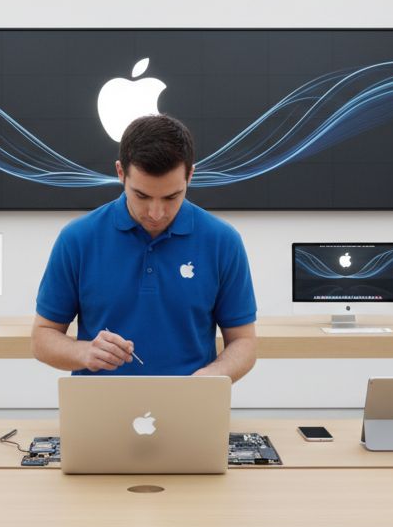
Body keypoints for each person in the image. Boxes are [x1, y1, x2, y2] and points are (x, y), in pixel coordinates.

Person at [32, 115, 257, 380]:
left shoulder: (223, 241)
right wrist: (83, 352)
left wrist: (211, 377)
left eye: (172, 196)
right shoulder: (77, 239)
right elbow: (42, 338)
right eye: (142, 196)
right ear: (120, 173)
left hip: (189, 406)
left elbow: (244, 342)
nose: (156, 213)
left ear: (190, 175)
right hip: (100, 408)